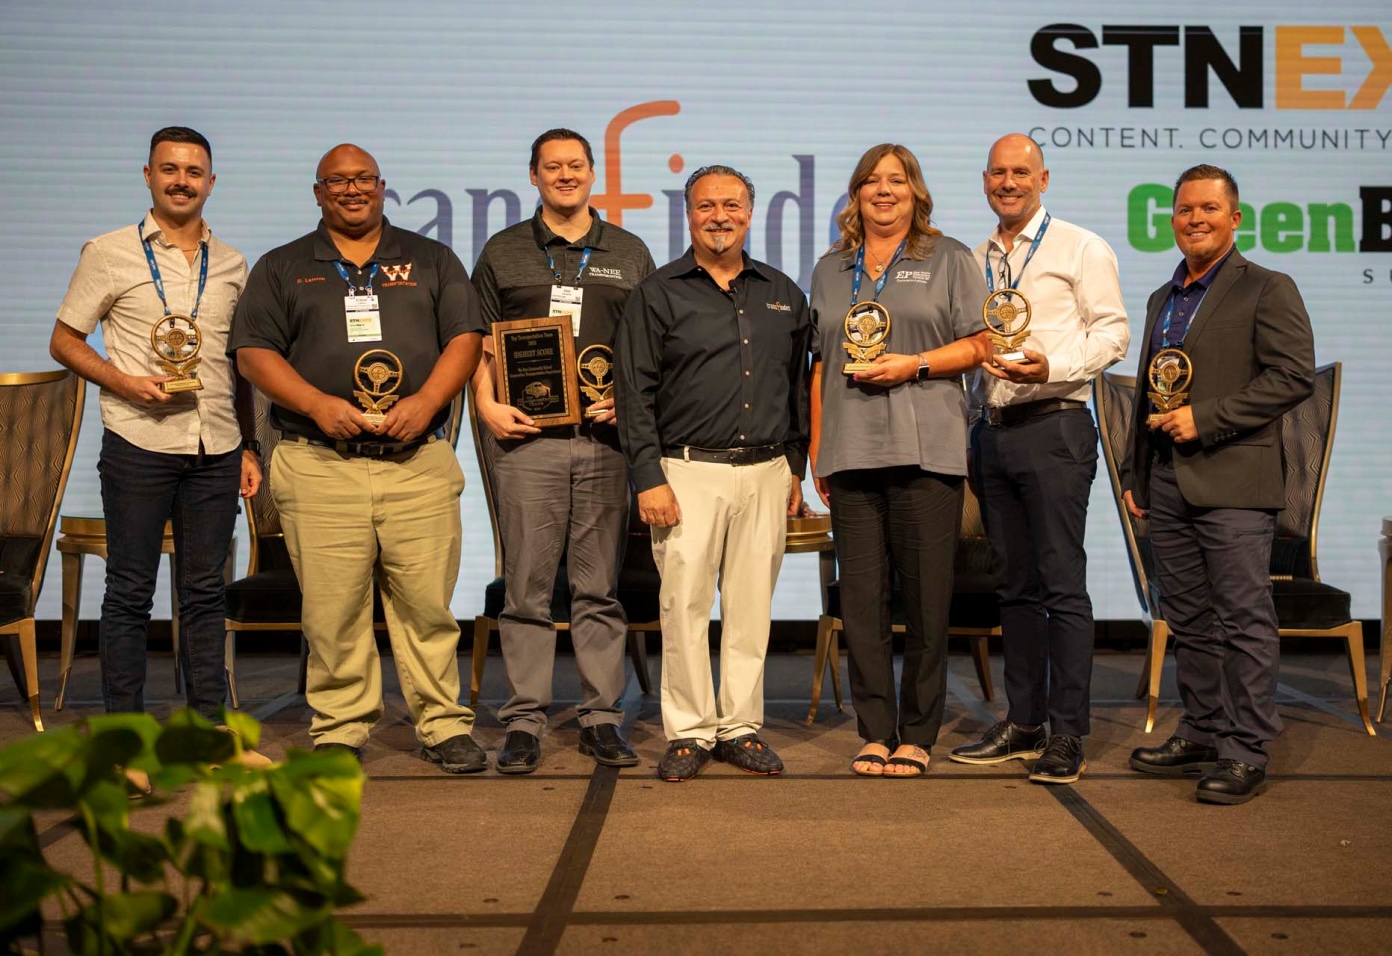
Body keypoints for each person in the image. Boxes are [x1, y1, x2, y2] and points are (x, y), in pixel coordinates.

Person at [230, 143, 487, 773]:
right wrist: (317, 404)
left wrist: (428, 401)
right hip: (318, 462)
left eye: (363, 179)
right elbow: (253, 354)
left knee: (427, 605)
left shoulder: (431, 259)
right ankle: (341, 727)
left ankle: (442, 724)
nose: (352, 189)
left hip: (417, 461)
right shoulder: (283, 266)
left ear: (382, 186)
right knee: (332, 607)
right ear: (317, 192)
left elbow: (466, 337)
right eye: (337, 181)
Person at [50, 126, 268, 781]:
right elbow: (65, 339)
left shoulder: (232, 263)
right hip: (138, 444)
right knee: (128, 595)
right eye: (169, 169)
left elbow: (241, 364)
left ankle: (208, 738)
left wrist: (250, 447)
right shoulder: (109, 252)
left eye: (194, 171)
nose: (181, 180)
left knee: (205, 596)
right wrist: (120, 380)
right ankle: (127, 749)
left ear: (211, 181)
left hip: (217, 446)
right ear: (148, 175)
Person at [1123, 164, 1314, 805]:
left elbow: (1293, 377)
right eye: (1184, 210)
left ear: (1236, 218)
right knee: (1190, 619)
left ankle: (1245, 749)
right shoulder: (1162, 298)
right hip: (1168, 482)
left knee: (1243, 620)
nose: (1195, 219)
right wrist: (1134, 472)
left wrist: (1205, 419)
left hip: (1235, 478)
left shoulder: (1267, 287)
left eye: (1208, 209)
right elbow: (1149, 388)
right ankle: (1202, 729)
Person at [615, 164, 810, 782]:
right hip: (685, 471)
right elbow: (633, 391)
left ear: (750, 214)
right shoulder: (658, 292)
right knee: (685, 605)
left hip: (767, 471)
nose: (718, 216)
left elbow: (798, 388)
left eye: (731, 205)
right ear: (688, 214)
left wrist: (796, 469)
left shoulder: (783, 292)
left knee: (752, 609)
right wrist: (648, 476)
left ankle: (741, 727)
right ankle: (690, 732)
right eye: (705, 206)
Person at [469, 129, 655, 774]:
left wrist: (628, 404)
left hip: (605, 444)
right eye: (554, 167)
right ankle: (523, 722)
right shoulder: (503, 252)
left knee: (598, 588)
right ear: (534, 175)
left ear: (593, 173)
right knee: (526, 590)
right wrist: (487, 406)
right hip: (527, 446)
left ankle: (602, 718)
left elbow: (647, 350)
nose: (566, 175)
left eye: (576, 165)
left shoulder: (629, 252)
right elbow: (476, 342)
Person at [949, 133, 1130, 785]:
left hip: (1055, 426)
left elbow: (1114, 332)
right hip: (993, 432)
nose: (1008, 181)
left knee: (1061, 585)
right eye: (997, 172)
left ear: (1043, 178)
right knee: (1014, 588)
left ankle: (1068, 734)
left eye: (1020, 171)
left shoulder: (1081, 247)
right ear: (984, 179)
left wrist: (1052, 364)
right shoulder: (975, 258)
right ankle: (1025, 724)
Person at [809, 144, 991, 778]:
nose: (883, 191)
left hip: (927, 452)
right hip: (850, 452)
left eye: (897, 180)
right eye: (871, 182)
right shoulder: (831, 267)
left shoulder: (950, 259)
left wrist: (913, 364)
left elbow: (981, 342)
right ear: (856, 194)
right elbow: (821, 363)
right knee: (861, 604)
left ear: (916, 191)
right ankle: (874, 730)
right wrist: (816, 448)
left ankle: (918, 732)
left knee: (925, 601)